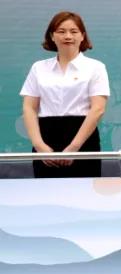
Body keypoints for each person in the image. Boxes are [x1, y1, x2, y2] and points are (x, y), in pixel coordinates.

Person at [20, 11, 109, 178]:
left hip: (82, 137)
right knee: (45, 189)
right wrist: (39, 145)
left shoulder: (95, 67)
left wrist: (74, 147)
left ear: (82, 36)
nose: (68, 36)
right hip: (46, 137)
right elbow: (29, 107)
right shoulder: (39, 68)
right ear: (52, 36)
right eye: (61, 31)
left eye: (74, 31)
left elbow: (98, 109)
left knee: (84, 190)